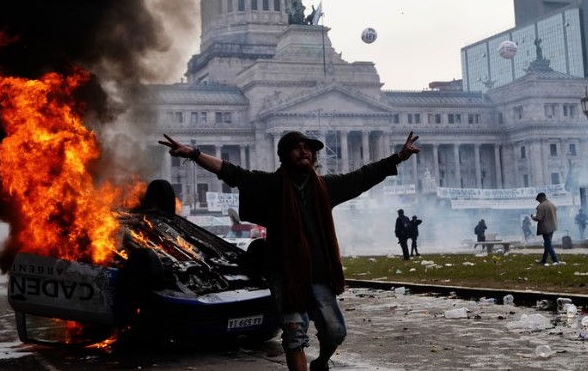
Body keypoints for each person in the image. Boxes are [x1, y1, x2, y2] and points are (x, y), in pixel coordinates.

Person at [159, 130, 419, 371]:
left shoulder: (326, 187)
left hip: (319, 274)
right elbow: (231, 171)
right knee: (295, 336)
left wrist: (399, 157)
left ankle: (322, 362)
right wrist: (193, 154)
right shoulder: (271, 185)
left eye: (308, 148)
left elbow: (365, 175)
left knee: (335, 332)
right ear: (284, 155)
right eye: (297, 147)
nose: (304, 152)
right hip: (284, 274)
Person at [531, 192, 560, 265]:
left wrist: (533, 217)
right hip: (552, 226)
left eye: (539, 200)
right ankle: (543, 260)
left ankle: (555, 260)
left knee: (548, 244)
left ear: (541, 198)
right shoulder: (552, 204)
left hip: (545, 227)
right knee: (547, 244)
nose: (539, 201)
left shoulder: (541, 206)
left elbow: (539, 218)